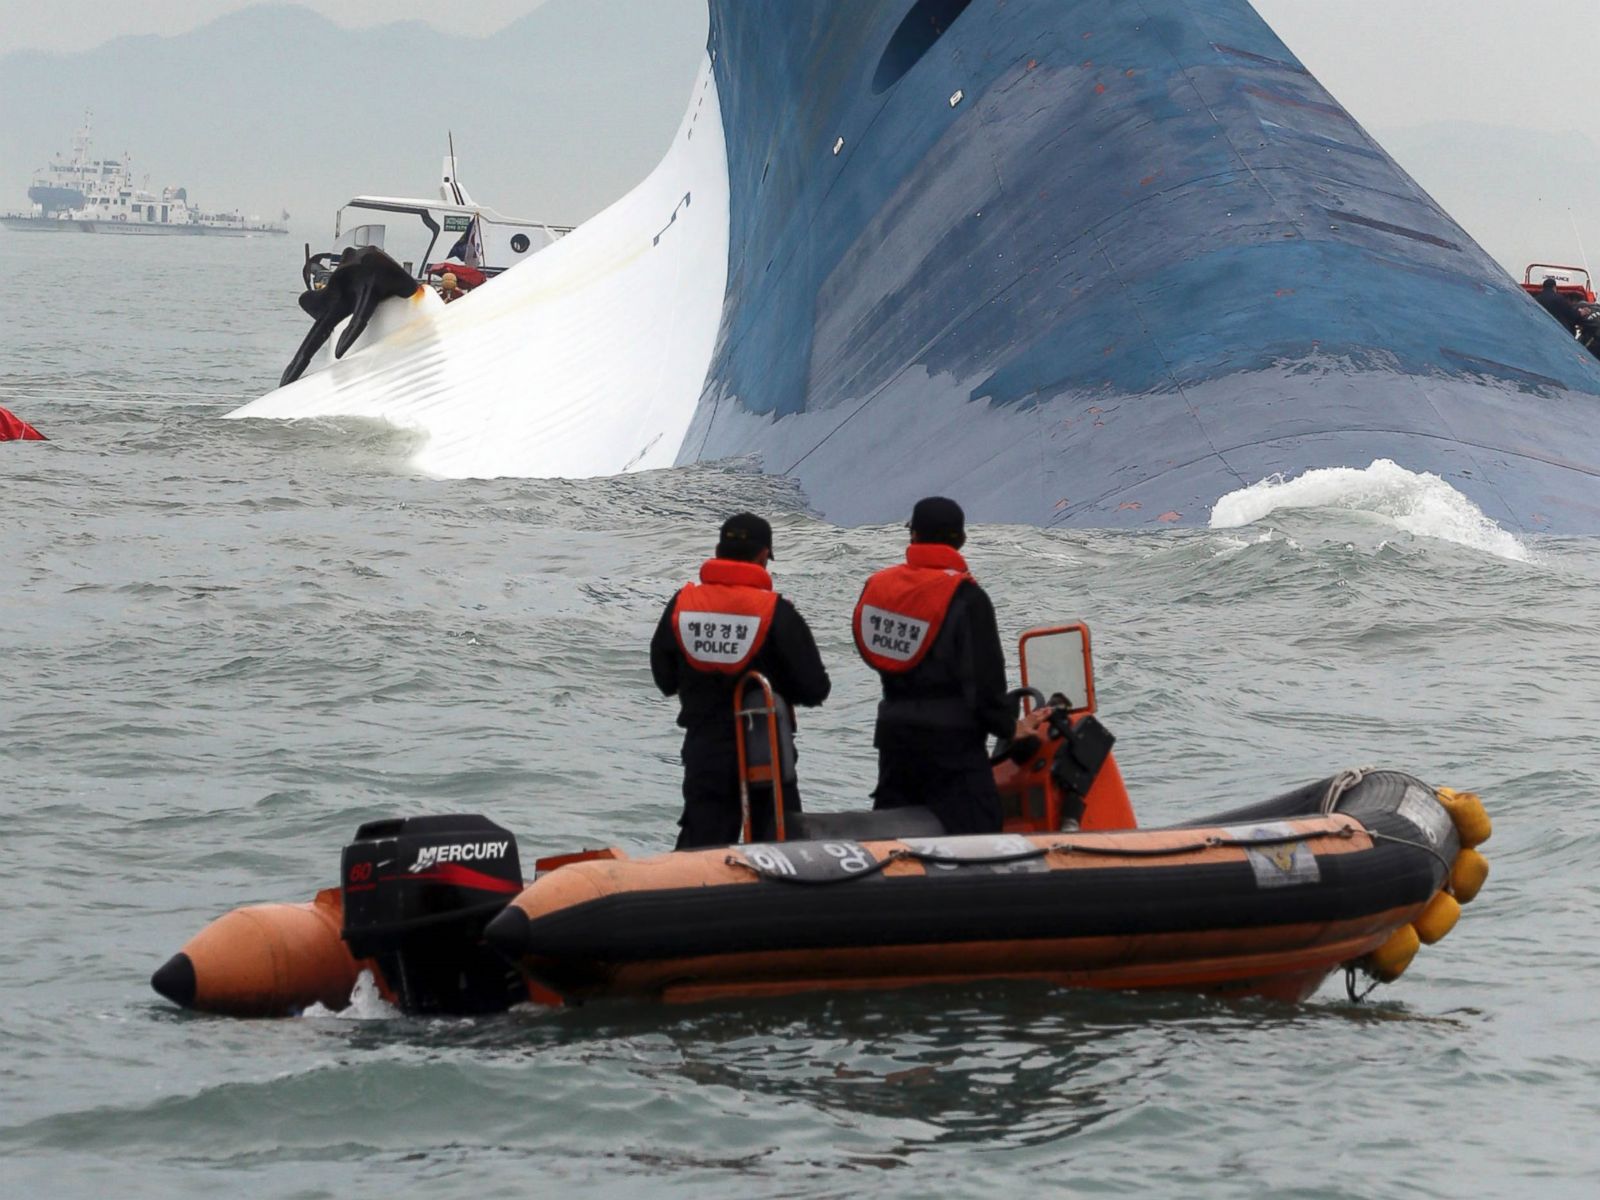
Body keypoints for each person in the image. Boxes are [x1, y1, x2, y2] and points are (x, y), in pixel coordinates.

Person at [853, 497, 1031, 835]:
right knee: (982, 833)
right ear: (961, 540)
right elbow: (984, 686)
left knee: (891, 840)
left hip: (894, 740)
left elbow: (875, 653)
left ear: (913, 536)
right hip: (954, 749)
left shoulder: (876, 586)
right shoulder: (968, 598)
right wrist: (1011, 728)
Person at [651, 513, 831, 849]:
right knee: (779, 847)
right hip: (767, 749)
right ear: (763, 556)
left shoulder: (682, 604)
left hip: (705, 748)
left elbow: (664, 678)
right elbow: (814, 687)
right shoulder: (776, 611)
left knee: (701, 845)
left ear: (718, 551)